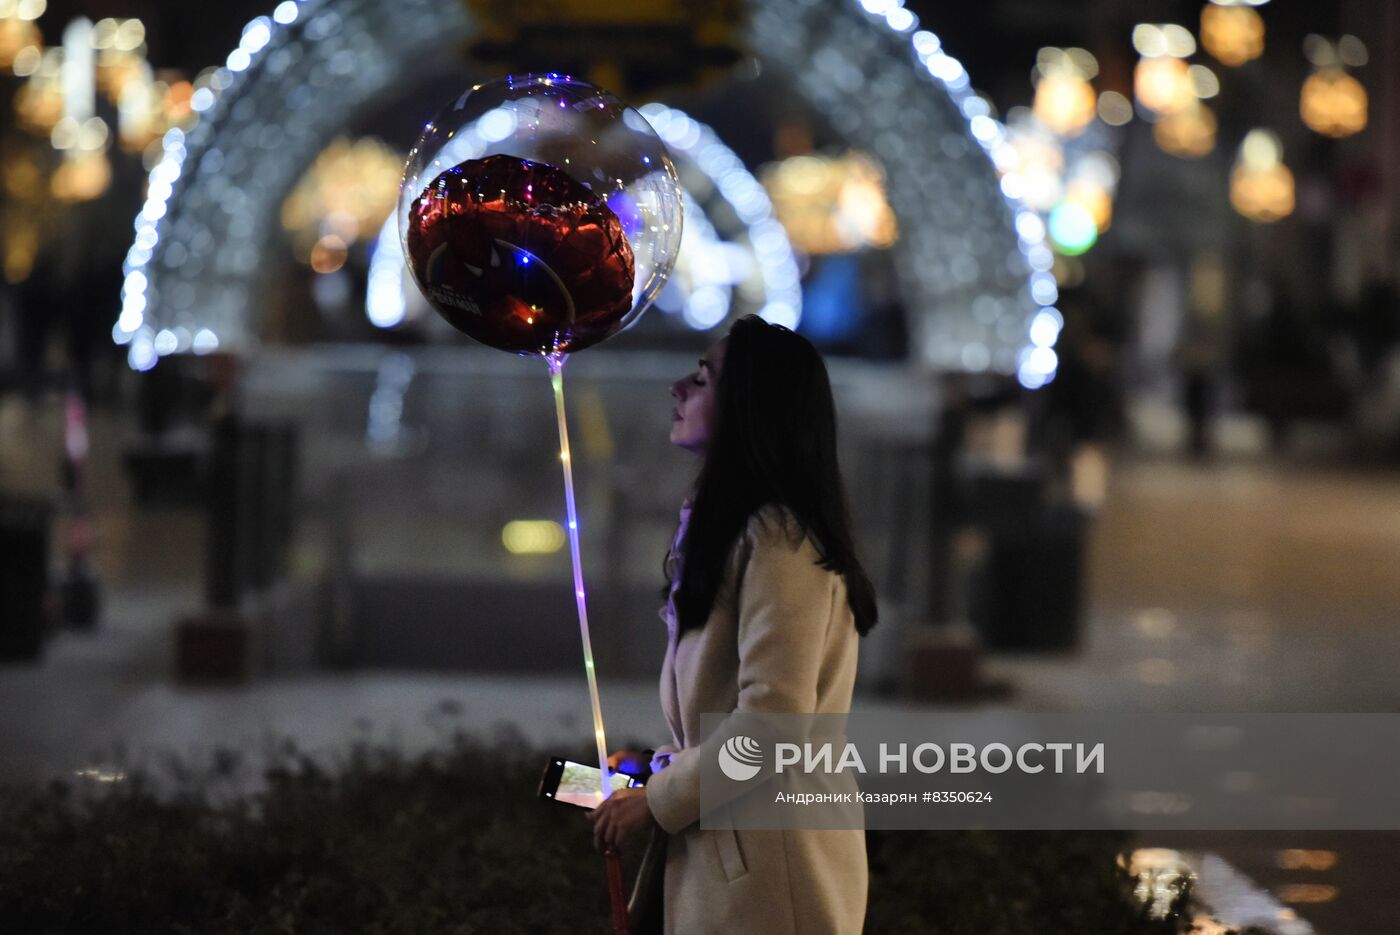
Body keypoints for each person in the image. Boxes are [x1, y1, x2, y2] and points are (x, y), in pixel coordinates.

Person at [588, 315, 878, 934]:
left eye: (701, 378)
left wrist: (657, 802)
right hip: (734, 859)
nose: (677, 388)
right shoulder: (736, 532)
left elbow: (773, 725)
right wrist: (651, 770)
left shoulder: (781, 542)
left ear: (751, 406)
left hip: (773, 872)